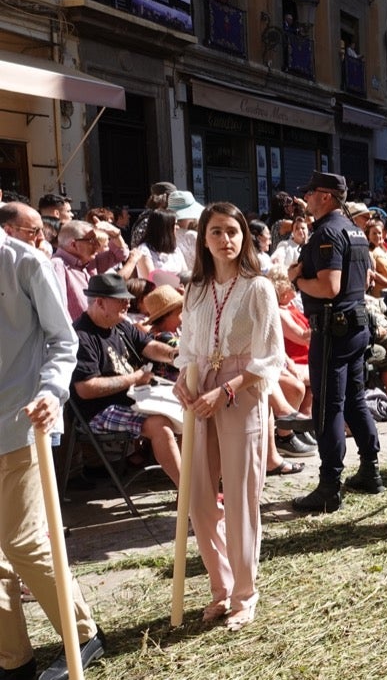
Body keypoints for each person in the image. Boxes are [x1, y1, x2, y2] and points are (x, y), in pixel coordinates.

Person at [0, 226, 106, 680]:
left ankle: (82, 632)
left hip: (18, 423)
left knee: (23, 543)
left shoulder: (24, 261)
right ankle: (12, 657)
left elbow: (64, 340)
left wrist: (50, 391)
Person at [173, 202, 284, 632]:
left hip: (243, 389)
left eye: (233, 231)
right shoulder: (196, 288)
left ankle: (244, 594)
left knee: (240, 499)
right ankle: (220, 587)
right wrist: (184, 378)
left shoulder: (259, 288)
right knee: (199, 499)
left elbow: (270, 355)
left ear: (245, 237)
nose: (226, 240)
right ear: (204, 238)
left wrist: (229, 388)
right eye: (217, 231)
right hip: (201, 388)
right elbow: (187, 343)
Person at [287, 172, 382, 512]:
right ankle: (370, 470)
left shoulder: (327, 231)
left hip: (334, 329)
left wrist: (297, 279)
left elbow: (329, 287)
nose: (306, 199)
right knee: (355, 400)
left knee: (328, 407)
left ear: (325, 196)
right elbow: (367, 279)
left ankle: (329, 486)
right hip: (355, 325)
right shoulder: (354, 230)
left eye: (310, 193)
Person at [70, 272, 183, 486]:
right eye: (121, 300)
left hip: (134, 400)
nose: (127, 304)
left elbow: (149, 346)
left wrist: (174, 355)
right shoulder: (81, 336)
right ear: (101, 303)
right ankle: (188, 494)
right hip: (98, 411)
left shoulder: (121, 324)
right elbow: (85, 389)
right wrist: (133, 379)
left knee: (189, 410)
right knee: (160, 425)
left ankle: (189, 489)